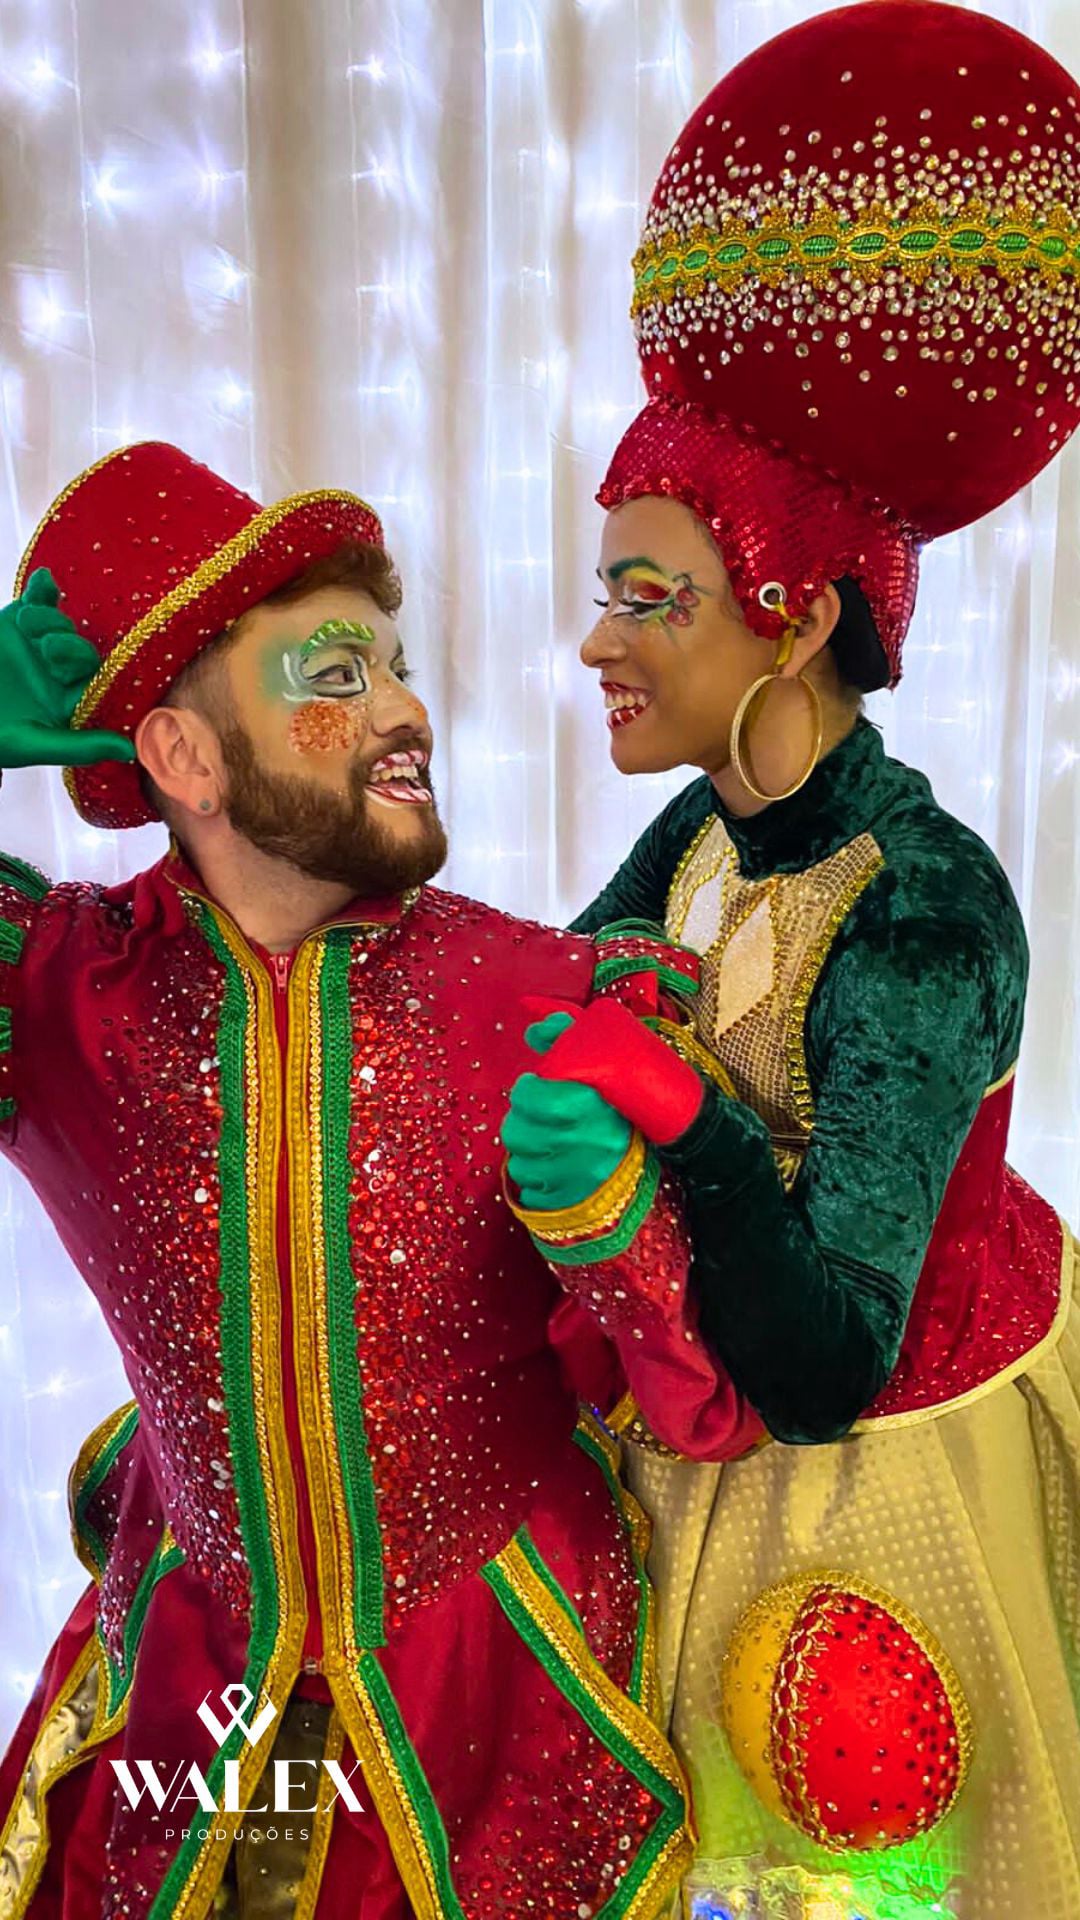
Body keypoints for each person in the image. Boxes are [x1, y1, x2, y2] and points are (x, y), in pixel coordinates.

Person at [501, 3, 1080, 1912]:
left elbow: (830, 1355)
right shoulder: (698, 838)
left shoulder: (925, 909)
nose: (600, 643)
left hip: (880, 1498)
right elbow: (533, 1007)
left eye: (647, 596)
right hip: (685, 1458)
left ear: (797, 614)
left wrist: (686, 1121)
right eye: (605, 591)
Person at [0, 441, 700, 1919]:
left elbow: (714, 1390)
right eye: (334, 676)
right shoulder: (55, 998)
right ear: (183, 758)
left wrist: (624, 1225)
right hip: (190, 1723)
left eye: (395, 668)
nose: (404, 711)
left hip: (510, 1710)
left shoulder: (554, 999)